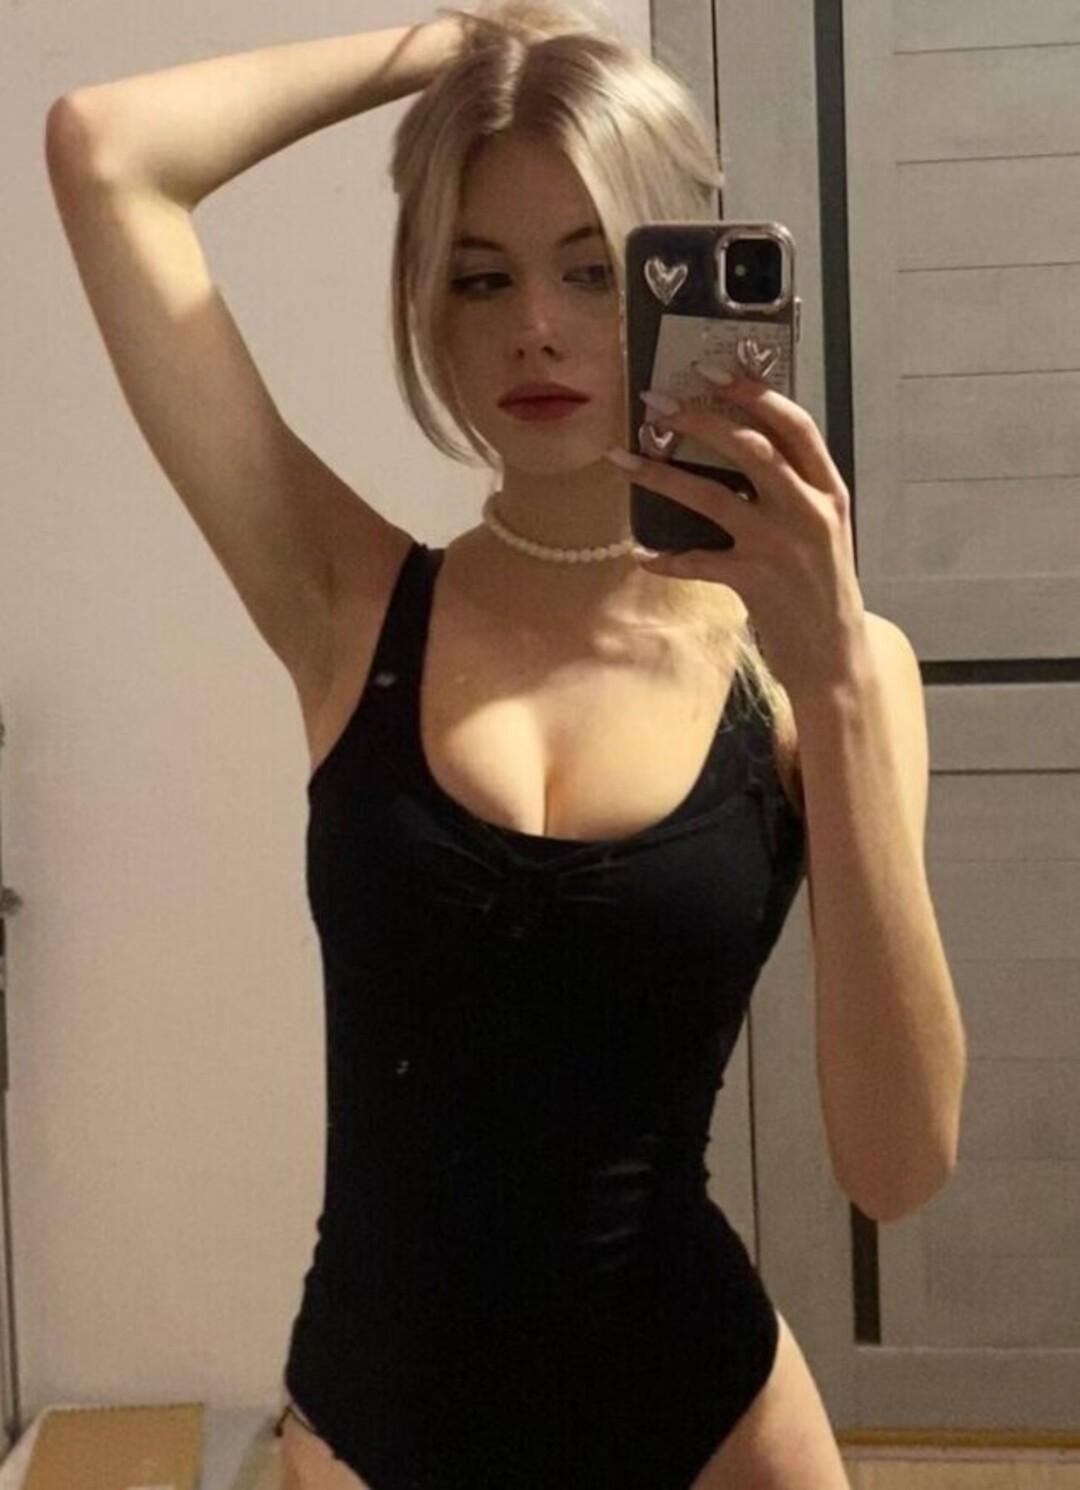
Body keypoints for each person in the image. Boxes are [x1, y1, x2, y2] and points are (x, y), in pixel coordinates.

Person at [46, 2, 967, 1486]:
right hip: (373, 1431)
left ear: (672, 292)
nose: (533, 324)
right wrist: (460, 47)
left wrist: (838, 687)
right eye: (481, 276)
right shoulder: (345, 600)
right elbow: (107, 155)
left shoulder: (834, 672)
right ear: (428, 308)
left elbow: (897, 1164)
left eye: (594, 270)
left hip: (708, 1430)